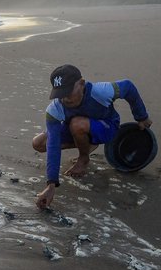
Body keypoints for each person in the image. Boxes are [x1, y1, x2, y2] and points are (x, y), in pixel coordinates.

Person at [33, 64, 152, 210]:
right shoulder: (54, 109)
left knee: (77, 124)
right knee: (39, 143)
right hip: (78, 128)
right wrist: (51, 184)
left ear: (81, 83)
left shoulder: (100, 91)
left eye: (68, 92)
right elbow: (53, 144)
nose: (65, 99)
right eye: (60, 93)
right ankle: (88, 143)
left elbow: (128, 87)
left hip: (107, 127)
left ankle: (84, 158)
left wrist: (141, 116)